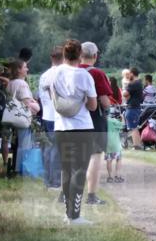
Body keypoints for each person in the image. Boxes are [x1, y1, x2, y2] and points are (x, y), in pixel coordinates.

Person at [53, 40, 98, 224]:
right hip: (81, 127)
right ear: (80, 55)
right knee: (79, 171)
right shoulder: (84, 75)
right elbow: (93, 105)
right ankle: (75, 215)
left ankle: (67, 213)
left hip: (61, 127)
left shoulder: (55, 73)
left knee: (66, 170)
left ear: (64, 55)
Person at [77, 43, 113, 206]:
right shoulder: (97, 73)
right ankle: (91, 195)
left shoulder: (71, 72)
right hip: (94, 119)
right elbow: (105, 102)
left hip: (73, 119)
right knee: (95, 156)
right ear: (95, 55)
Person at [4, 58, 40, 178]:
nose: (27, 69)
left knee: (18, 144)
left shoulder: (10, 83)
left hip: (12, 117)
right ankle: (23, 170)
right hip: (22, 118)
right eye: (25, 67)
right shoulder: (22, 84)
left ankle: (16, 168)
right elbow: (26, 103)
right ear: (19, 70)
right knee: (25, 144)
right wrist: (35, 105)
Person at [37, 46, 64, 189]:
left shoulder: (44, 75)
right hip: (58, 116)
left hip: (46, 115)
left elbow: (41, 97)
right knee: (57, 149)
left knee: (47, 148)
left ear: (51, 58)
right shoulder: (62, 73)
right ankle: (55, 181)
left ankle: (47, 179)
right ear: (64, 58)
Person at [124, 68, 144, 149]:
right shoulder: (139, 83)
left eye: (129, 73)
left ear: (132, 73)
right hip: (136, 107)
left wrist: (125, 89)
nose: (128, 75)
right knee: (134, 127)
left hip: (132, 107)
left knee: (133, 128)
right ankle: (138, 144)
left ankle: (136, 146)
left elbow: (125, 94)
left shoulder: (133, 84)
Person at [105, 108, 124, 183]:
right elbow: (122, 126)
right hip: (115, 144)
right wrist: (122, 118)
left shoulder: (103, 121)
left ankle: (110, 177)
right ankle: (117, 176)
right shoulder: (113, 121)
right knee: (118, 159)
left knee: (109, 160)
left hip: (107, 144)